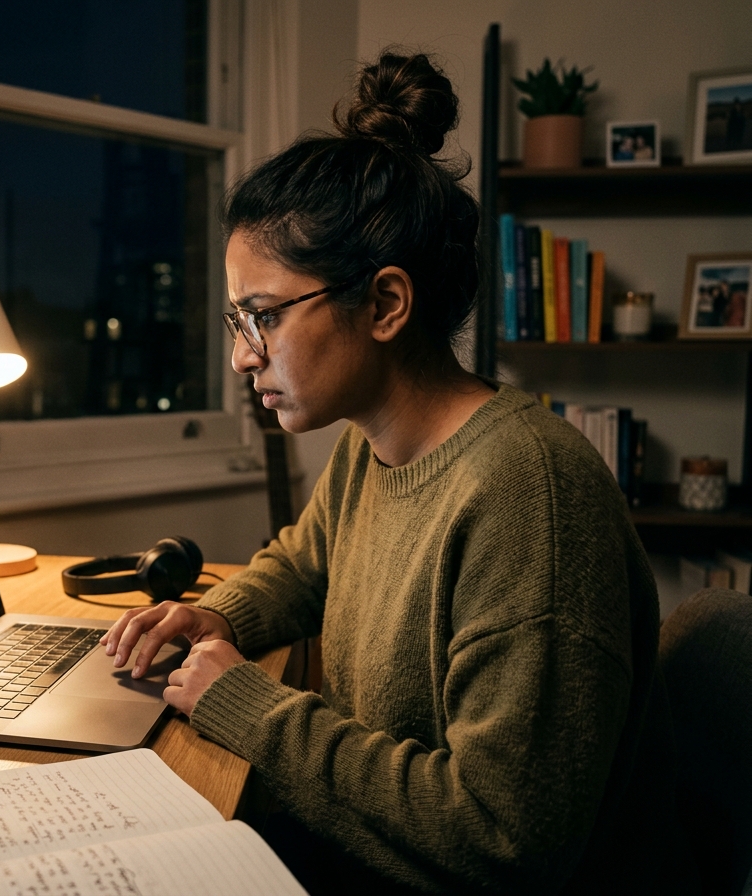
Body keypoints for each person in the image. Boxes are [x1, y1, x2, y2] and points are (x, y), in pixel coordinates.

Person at [103, 52, 688, 895]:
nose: (242, 354)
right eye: (238, 319)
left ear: (384, 305)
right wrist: (210, 615)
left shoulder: (528, 496)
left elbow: (505, 839)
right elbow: (306, 564)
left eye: (263, 316)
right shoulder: (371, 444)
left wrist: (249, 707)